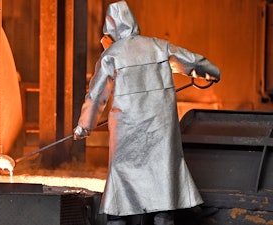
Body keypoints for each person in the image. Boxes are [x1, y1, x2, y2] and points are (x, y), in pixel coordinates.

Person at [73, 1, 220, 225]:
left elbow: (97, 95)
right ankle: (162, 218)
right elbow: (192, 61)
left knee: (123, 177)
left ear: (111, 30)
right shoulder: (158, 46)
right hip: (161, 127)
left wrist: (84, 126)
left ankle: (118, 219)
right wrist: (211, 73)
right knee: (161, 176)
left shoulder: (112, 54)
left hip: (127, 129)